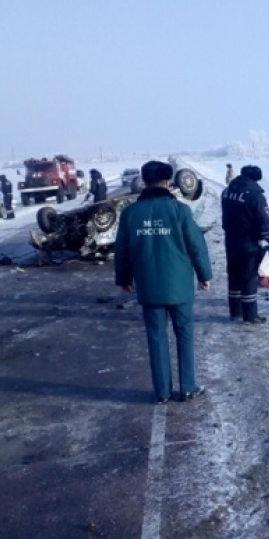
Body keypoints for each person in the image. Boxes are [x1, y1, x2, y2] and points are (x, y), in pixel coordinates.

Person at [114, 160, 213, 403]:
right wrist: (204, 275)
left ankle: (162, 392)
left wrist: (124, 278)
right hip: (179, 287)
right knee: (185, 334)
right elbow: (196, 246)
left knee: (156, 337)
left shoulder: (130, 214)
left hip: (149, 287)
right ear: (167, 182)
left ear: (144, 182)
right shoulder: (180, 211)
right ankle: (188, 386)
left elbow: (122, 251)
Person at [221, 165, 269, 324]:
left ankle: (235, 311)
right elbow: (264, 221)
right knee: (248, 277)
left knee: (234, 275)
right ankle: (250, 315)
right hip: (249, 242)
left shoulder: (227, 191)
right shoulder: (255, 196)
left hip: (230, 240)